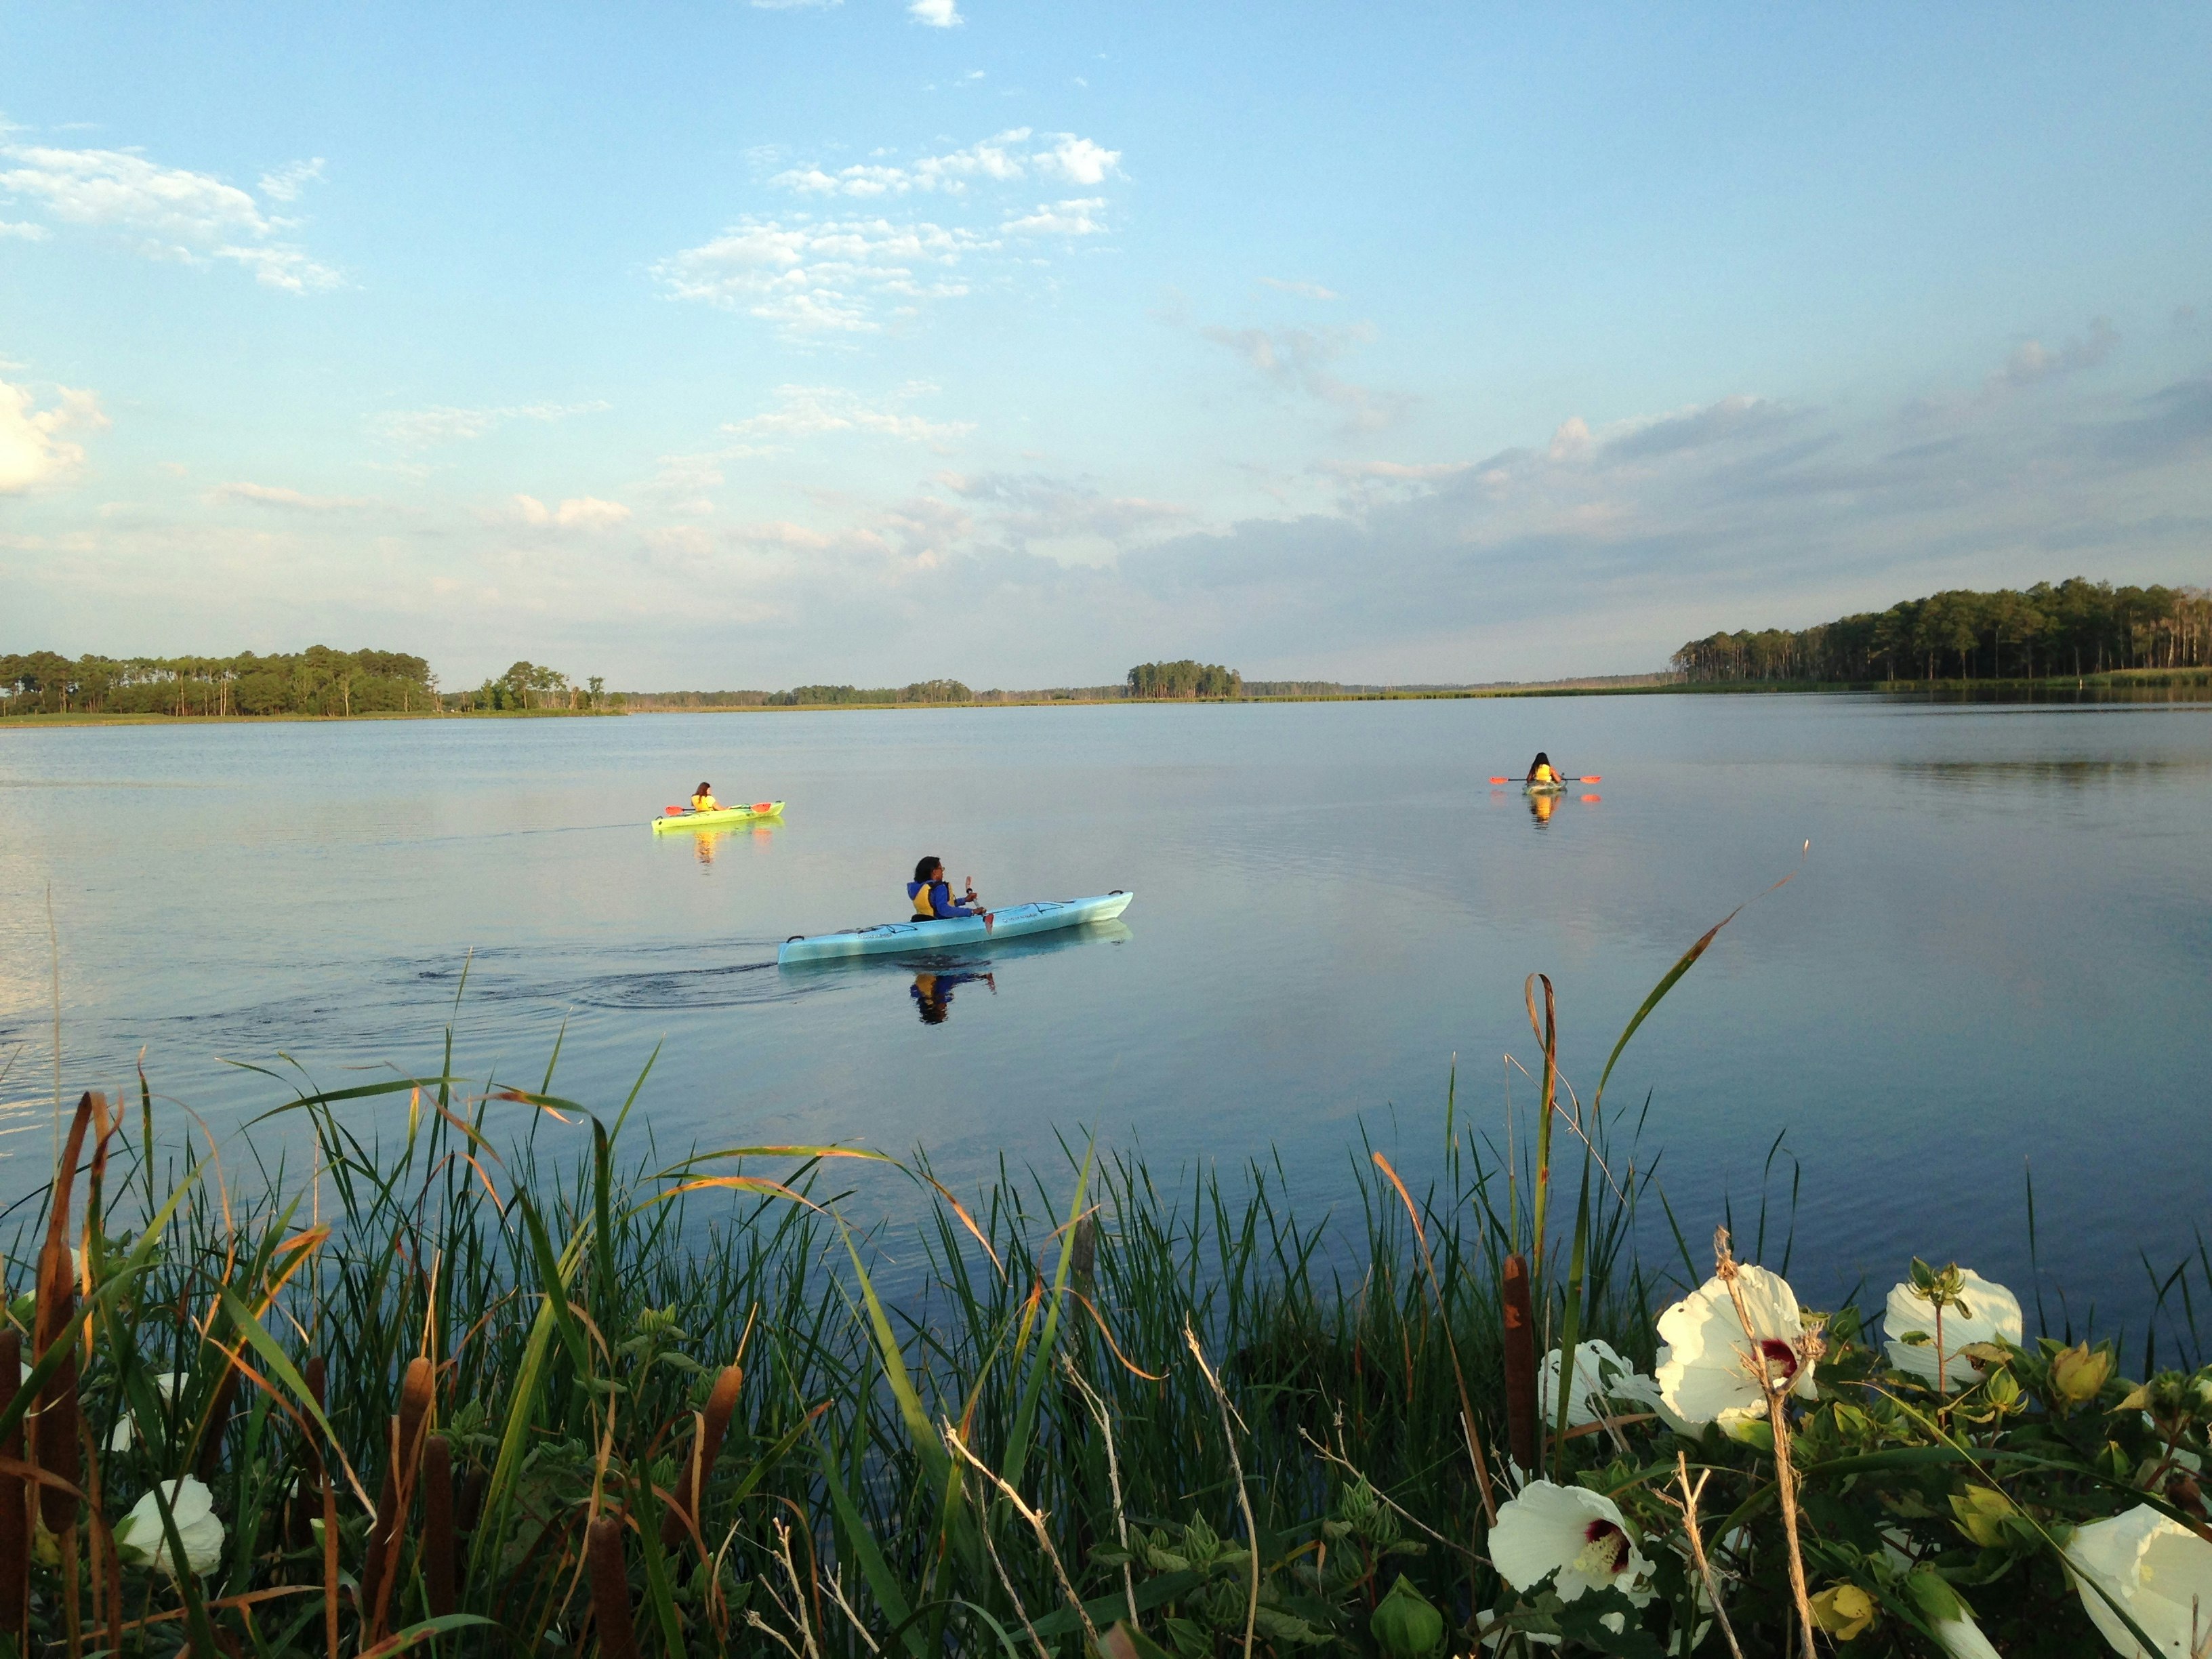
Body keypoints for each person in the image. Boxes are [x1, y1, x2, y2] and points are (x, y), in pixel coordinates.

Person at [908, 857, 982, 920]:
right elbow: (944, 910)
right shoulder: (939, 887)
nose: (942, 872)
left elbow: (937, 906)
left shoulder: (919, 888)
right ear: (934, 872)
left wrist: (964, 900)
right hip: (939, 925)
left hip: (922, 923)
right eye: (941, 869)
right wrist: (972, 912)